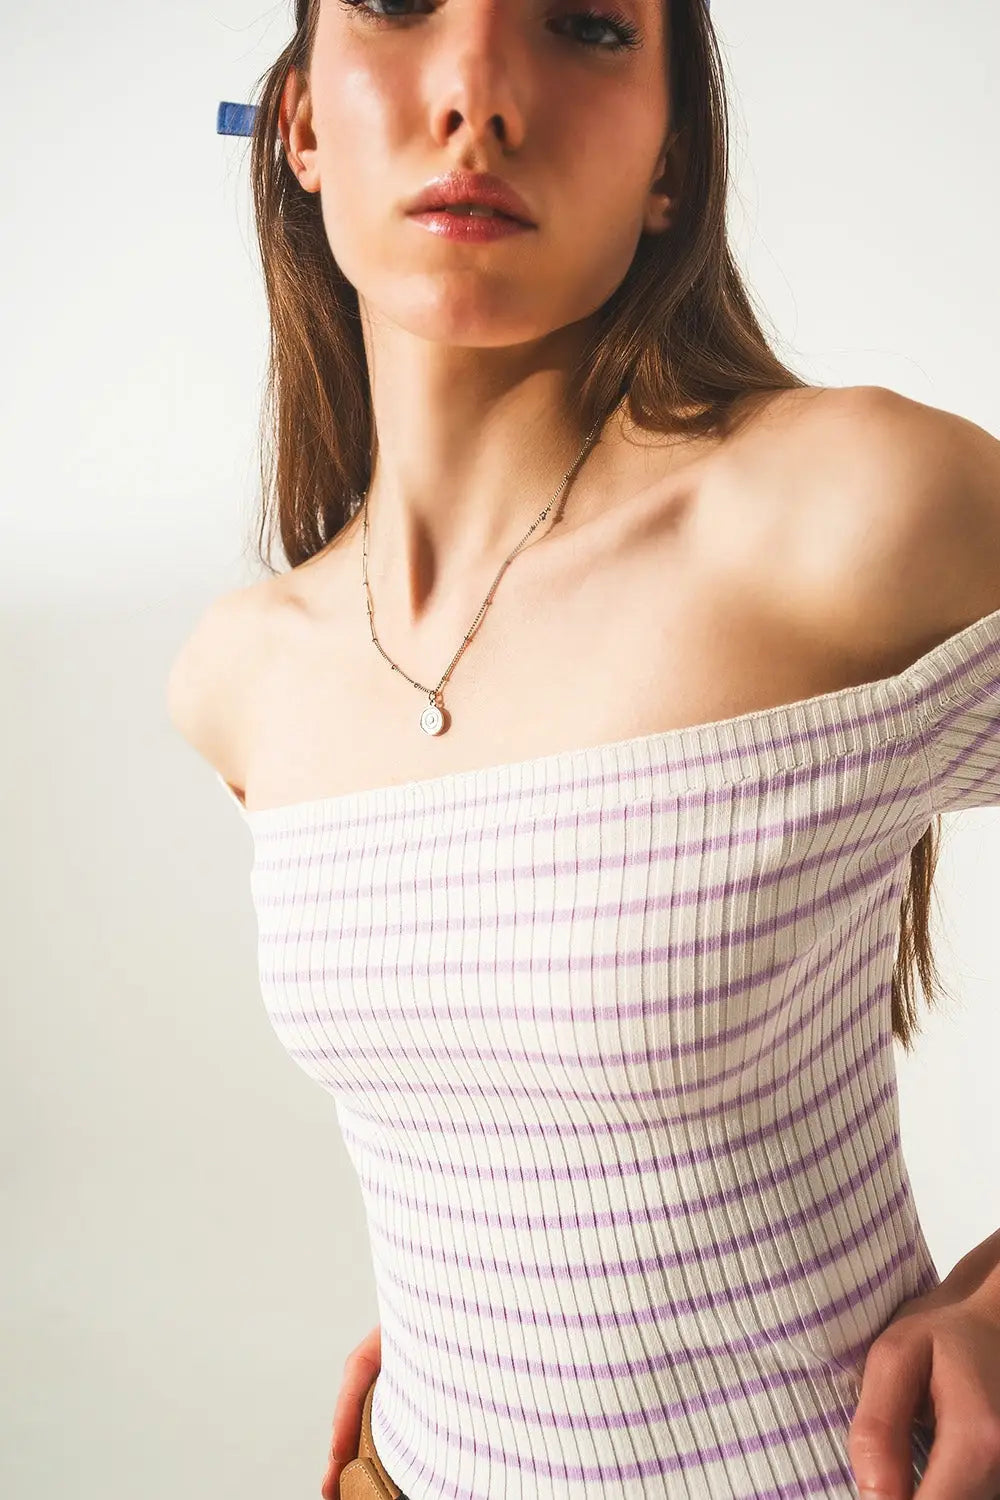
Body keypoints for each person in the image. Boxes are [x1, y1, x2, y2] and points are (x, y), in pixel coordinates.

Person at [169, 0, 1000, 1496]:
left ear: (670, 161)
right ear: (298, 124)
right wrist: (482, 1362)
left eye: (585, 27)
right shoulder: (243, 674)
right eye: (401, 4)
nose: (478, 95)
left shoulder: (845, 513)